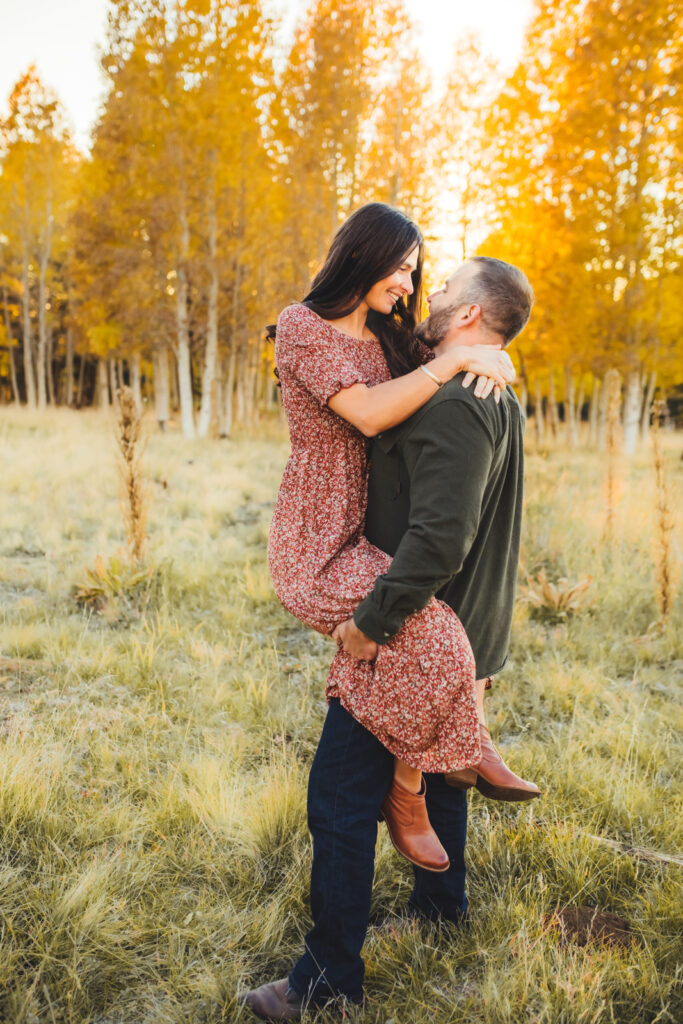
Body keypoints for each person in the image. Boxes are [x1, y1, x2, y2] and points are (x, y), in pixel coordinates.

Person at [241, 254, 536, 1020]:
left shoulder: (454, 401)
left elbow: (439, 538)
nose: (429, 294)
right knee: (442, 768)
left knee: (339, 797)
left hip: (409, 625)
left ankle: (326, 984)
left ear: (470, 315)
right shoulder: (494, 387)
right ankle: (441, 913)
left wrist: (371, 627)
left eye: (444, 289)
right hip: (464, 625)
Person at [265, 203, 527, 874]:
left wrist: (482, 356)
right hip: (321, 535)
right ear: (366, 255)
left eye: (419, 274)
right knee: (435, 633)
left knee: (433, 632)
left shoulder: (391, 339)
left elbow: (446, 366)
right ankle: (460, 757)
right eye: (403, 269)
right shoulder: (302, 327)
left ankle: (426, 787)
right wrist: (462, 358)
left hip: (370, 540)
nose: (411, 286)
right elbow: (372, 410)